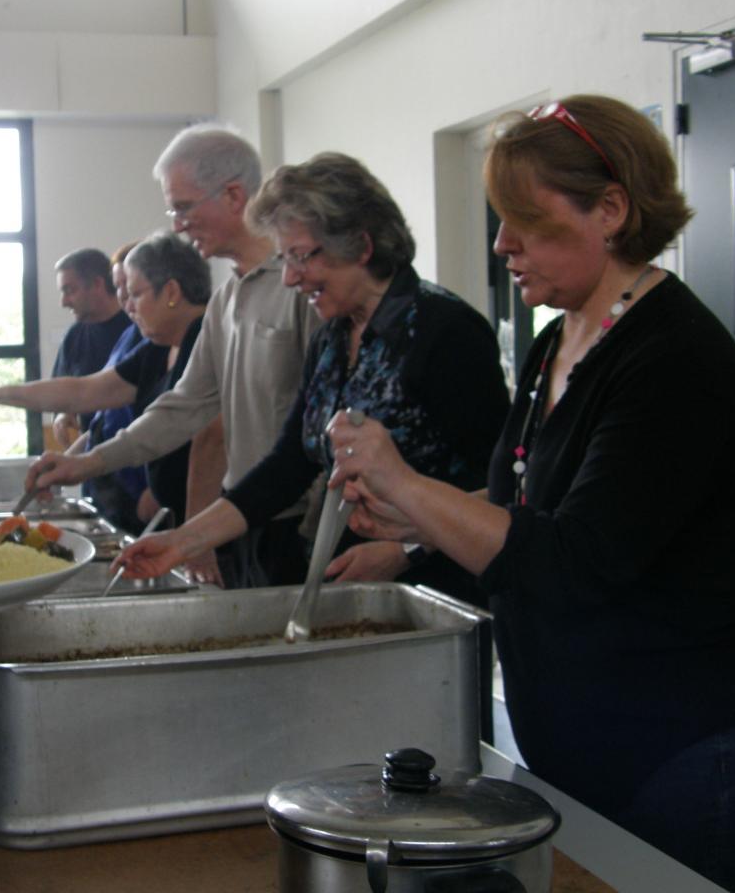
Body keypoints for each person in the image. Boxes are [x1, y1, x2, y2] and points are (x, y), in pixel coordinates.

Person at [323, 95, 735, 893]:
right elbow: (525, 495)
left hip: (689, 734)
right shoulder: (562, 335)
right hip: (593, 724)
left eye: (521, 220)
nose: (501, 243)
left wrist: (406, 480)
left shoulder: (676, 362)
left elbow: (577, 556)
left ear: (611, 210)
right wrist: (410, 530)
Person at [111, 154, 509, 609]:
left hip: (438, 591)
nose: (289, 278)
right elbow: (286, 468)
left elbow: (497, 490)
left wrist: (405, 550)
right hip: (351, 585)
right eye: (283, 259)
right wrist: (182, 541)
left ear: (360, 247)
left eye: (300, 257)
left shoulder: (447, 332)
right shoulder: (333, 339)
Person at [29, 124, 320, 588]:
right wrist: (87, 463)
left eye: (184, 207)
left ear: (233, 195)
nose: (177, 224)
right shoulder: (227, 299)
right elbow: (182, 407)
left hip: (298, 530)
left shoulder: (302, 290)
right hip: (242, 522)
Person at [0, 233, 210, 521]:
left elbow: (209, 439)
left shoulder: (208, 337)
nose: (129, 306)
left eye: (135, 294)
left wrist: (197, 534)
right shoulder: (157, 347)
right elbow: (85, 392)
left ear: (172, 293)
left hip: (197, 518)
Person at [75, 240, 152, 533]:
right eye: (118, 286)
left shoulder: (166, 341)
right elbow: (101, 415)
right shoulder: (129, 337)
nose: (123, 297)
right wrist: (71, 460)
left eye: (130, 287)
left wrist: (158, 491)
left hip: (142, 486)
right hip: (109, 480)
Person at [48, 247, 132, 449]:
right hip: (92, 459)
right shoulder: (73, 336)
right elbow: (61, 393)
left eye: (70, 290)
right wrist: (62, 414)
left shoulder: (138, 329)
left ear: (97, 284)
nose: (64, 302)